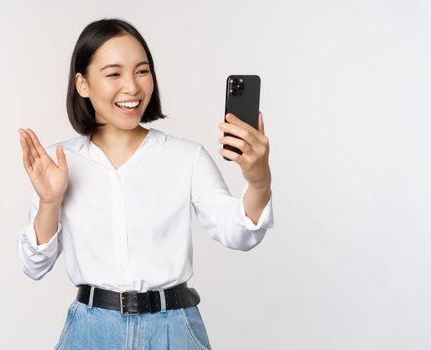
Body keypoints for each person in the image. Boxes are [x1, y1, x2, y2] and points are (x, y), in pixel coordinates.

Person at [16, 18, 274, 349]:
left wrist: (259, 181)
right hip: (91, 332)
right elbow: (33, 267)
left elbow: (239, 234)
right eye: (113, 74)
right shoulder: (58, 161)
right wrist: (50, 202)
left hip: (174, 330)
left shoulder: (186, 157)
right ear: (82, 84)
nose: (133, 87)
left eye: (142, 70)